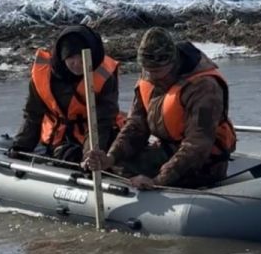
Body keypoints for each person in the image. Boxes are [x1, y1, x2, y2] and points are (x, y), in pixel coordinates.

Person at [83, 27, 236, 189]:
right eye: (147, 71)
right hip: (167, 149)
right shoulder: (148, 77)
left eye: (157, 71)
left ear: (173, 62)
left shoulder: (204, 87)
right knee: (118, 165)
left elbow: (198, 144)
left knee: (132, 170)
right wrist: (111, 157)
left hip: (205, 162)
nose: (152, 76)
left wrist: (158, 181)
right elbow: (136, 126)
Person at [10, 25, 122, 163]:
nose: (77, 64)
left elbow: (101, 122)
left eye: (82, 59)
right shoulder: (43, 74)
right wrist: (21, 148)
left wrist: (89, 156)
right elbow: (33, 115)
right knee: (65, 153)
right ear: (62, 57)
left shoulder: (104, 76)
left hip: (94, 137)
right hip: (57, 138)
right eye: (71, 58)